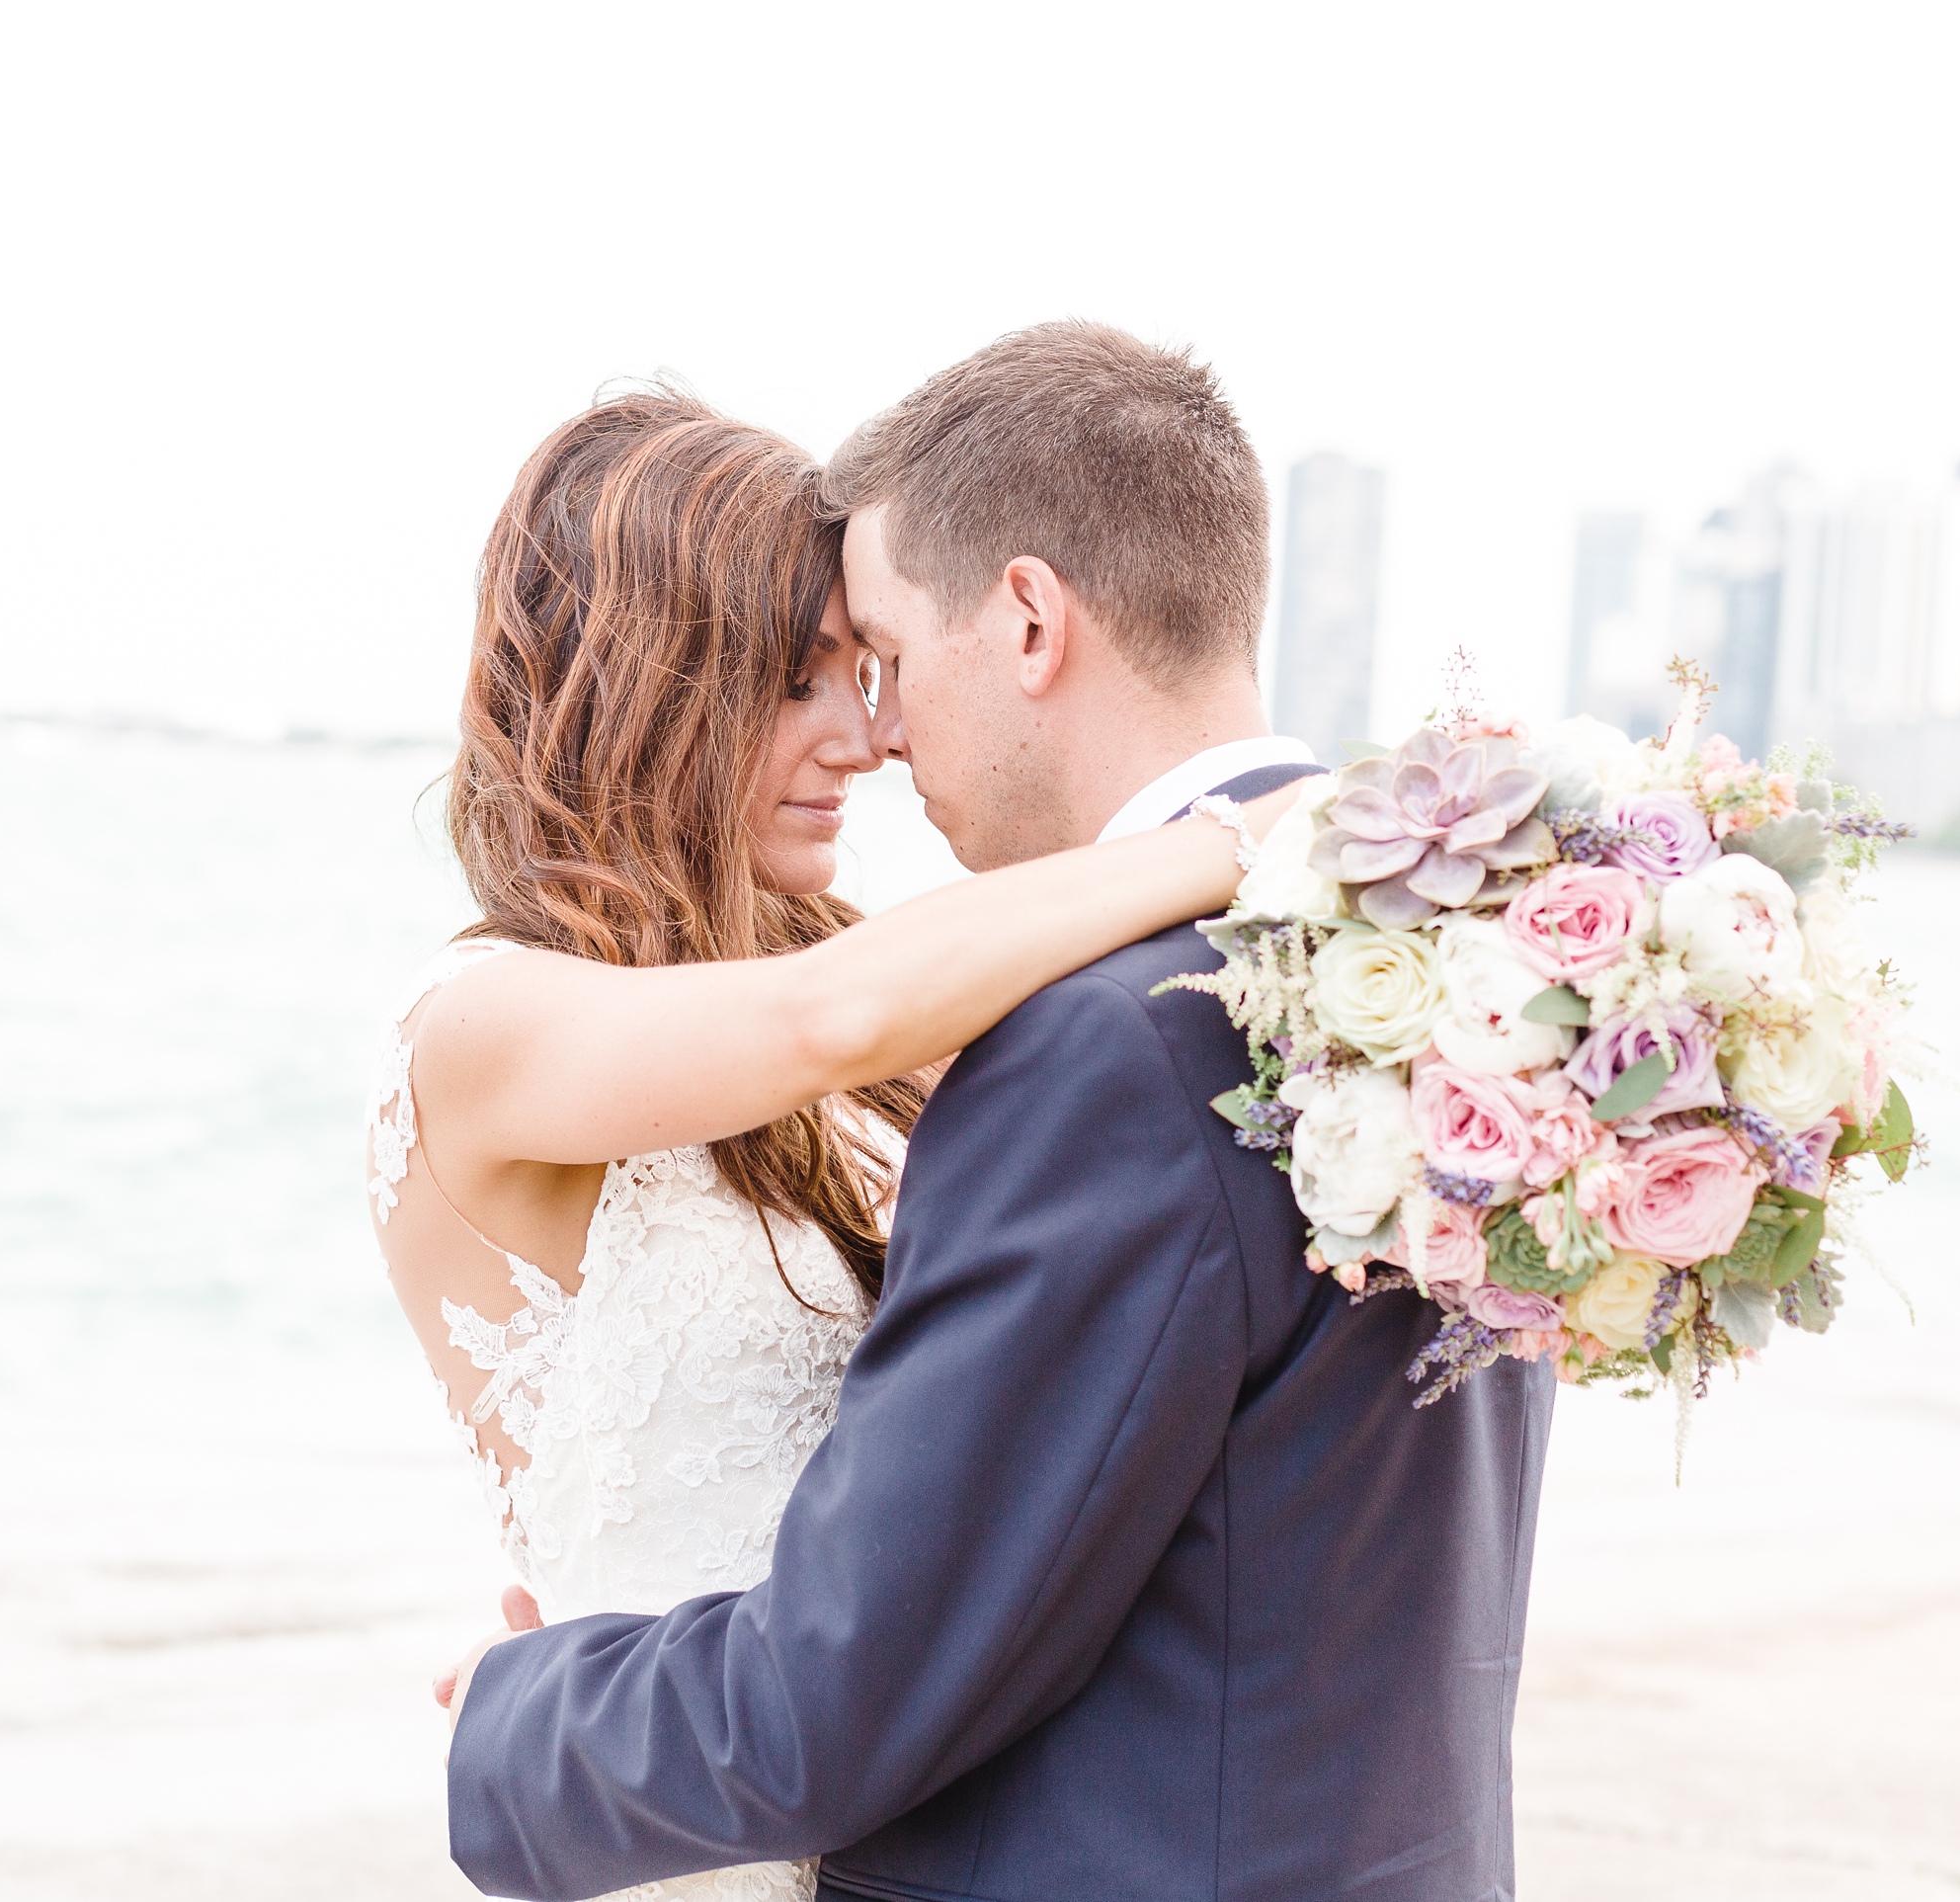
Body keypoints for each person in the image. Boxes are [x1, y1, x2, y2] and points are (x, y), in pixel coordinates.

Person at [440, 324, 1556, 1902]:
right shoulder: (1444, 969)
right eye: (801, 678)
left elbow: (857, 1682)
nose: (874, 733)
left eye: (875, 657)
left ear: (1027, 618)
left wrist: (521, 1724)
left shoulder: (1099, 1041)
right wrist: (1271, 837)